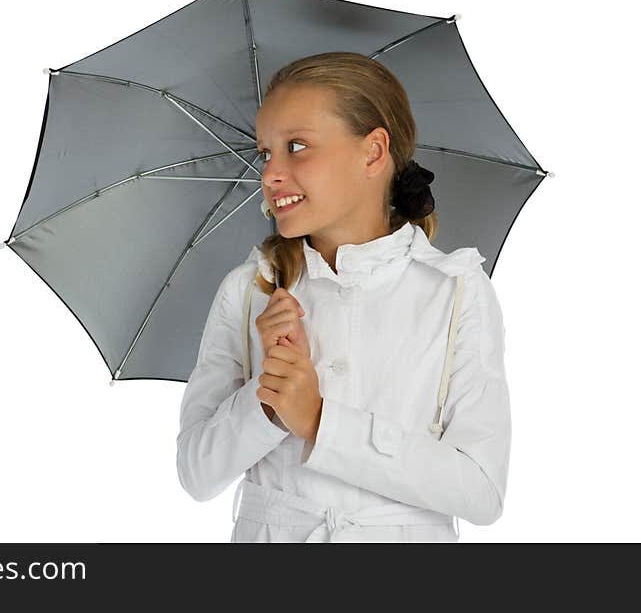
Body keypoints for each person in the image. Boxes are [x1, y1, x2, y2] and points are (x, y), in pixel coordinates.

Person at [176, 52, 511, 542]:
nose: (270, 173)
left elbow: (482, 491)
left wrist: (319, 420)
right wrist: (268, 399)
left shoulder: (455, 291)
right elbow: (196, 473)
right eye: (265, 152)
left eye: (296, 146)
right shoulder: (251, 291)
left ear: (373, 153)